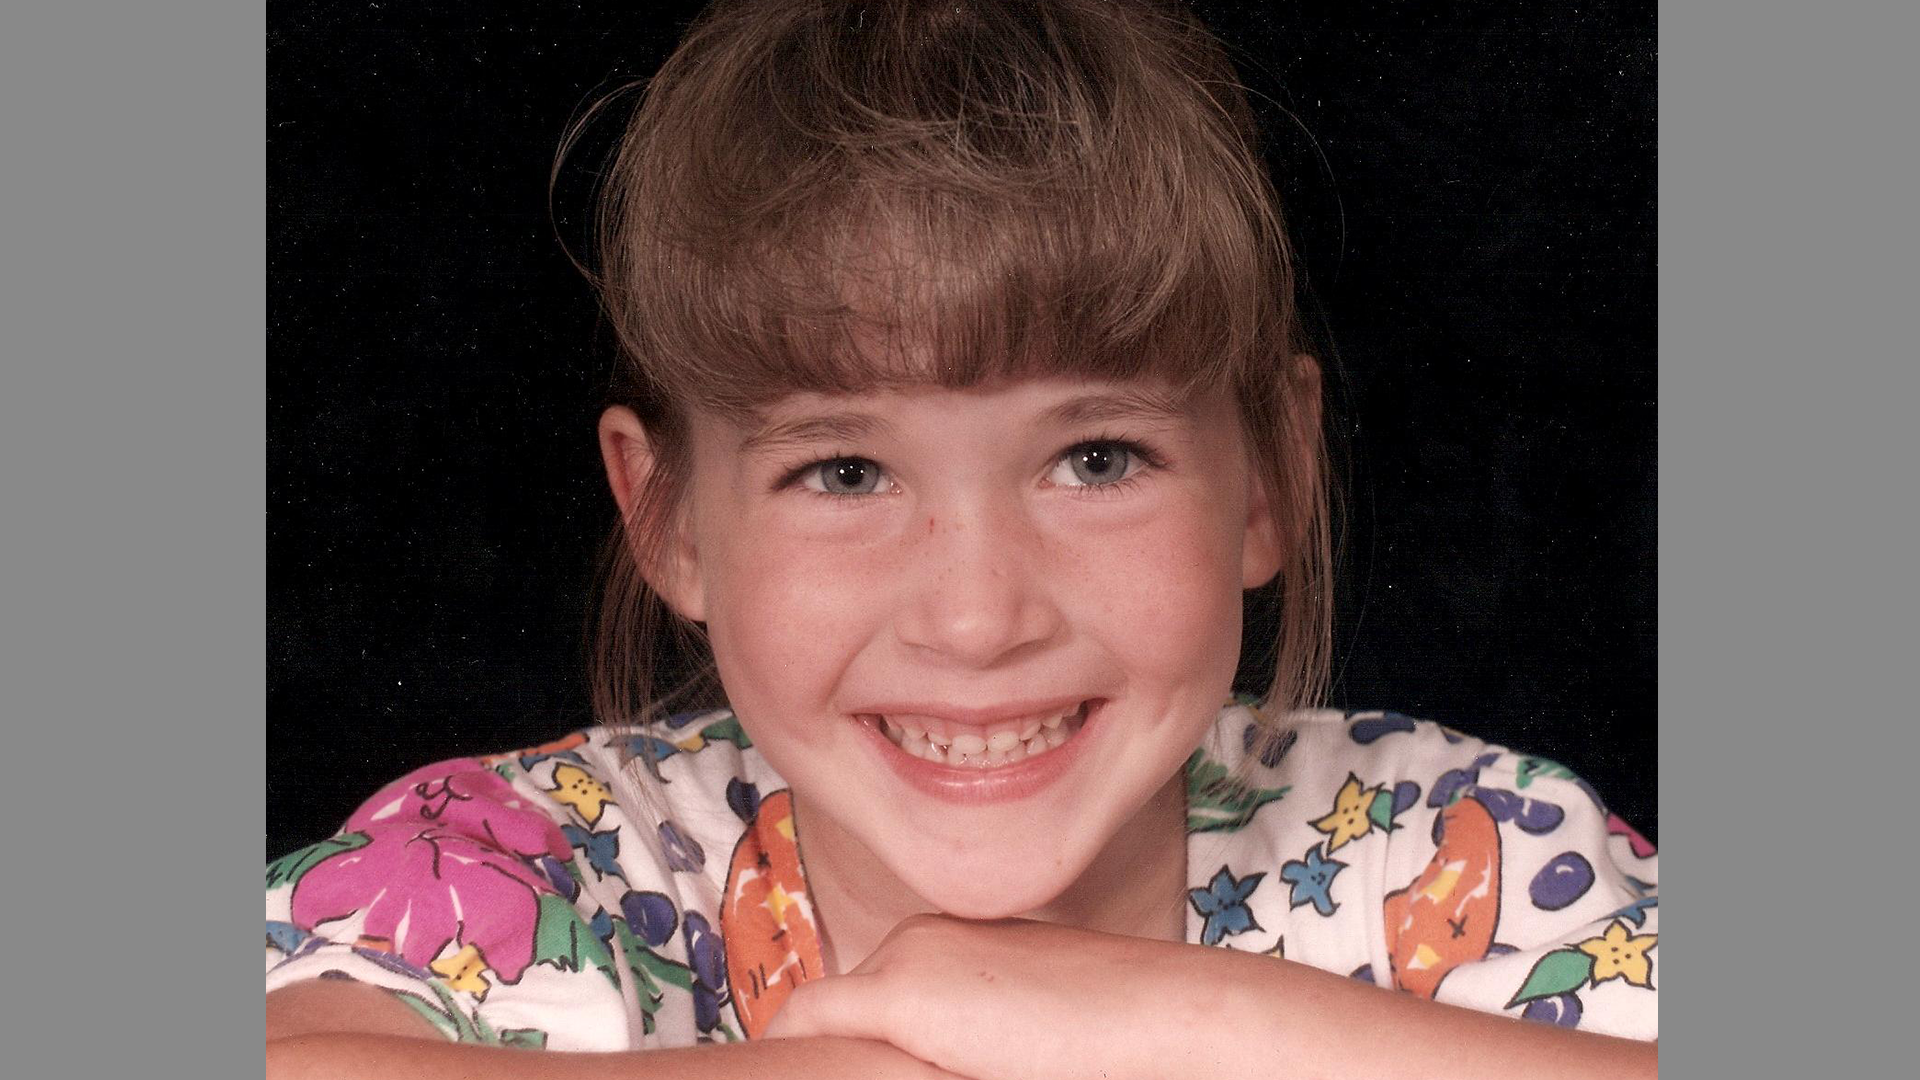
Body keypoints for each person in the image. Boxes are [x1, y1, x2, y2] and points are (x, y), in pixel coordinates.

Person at [264, 1, 1658, 1077]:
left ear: (1266, 480)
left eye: (1096, 459)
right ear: (670, 520)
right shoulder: (535, 859)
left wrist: (1176, 1022)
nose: (979, 618)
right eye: (845, 472)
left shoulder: (1453, 847)